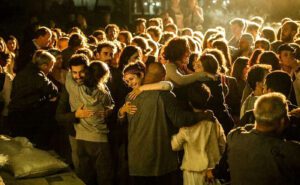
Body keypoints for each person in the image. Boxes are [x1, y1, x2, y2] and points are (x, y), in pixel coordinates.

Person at [119, 61, 214, 185]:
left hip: (136, 159)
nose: (130, 83)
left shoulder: (130, 97)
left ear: (144, 74)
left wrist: (120, 112)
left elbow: (124, 123)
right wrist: (202, 115)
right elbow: (179, 120)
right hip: (159, 160)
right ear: (163, 75)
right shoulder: (164, 95)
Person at [65, 58, 114, 185]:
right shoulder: (103, 92)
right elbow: (111, 105)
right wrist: (108, 111)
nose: (77, 75)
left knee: (85, 177)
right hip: (99, 139)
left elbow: (69, 74)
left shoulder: (75, 88)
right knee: (104, 177)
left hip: (81, 139)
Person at [171, 82, 226, 185]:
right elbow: (222, 143)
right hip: (212, 169)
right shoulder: (214, 122)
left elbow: (175, 145)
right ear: (207, 99)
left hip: (192, 171)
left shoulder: (187, 126)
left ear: (189, 103)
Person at [8, 50, 58, 149]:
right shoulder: (38, 76)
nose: (51, 70)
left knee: (18, 146)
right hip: (28, 115)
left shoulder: (23, 72)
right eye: (51, 66)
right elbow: (53, 89)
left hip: (15, 113)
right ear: (44, 66)